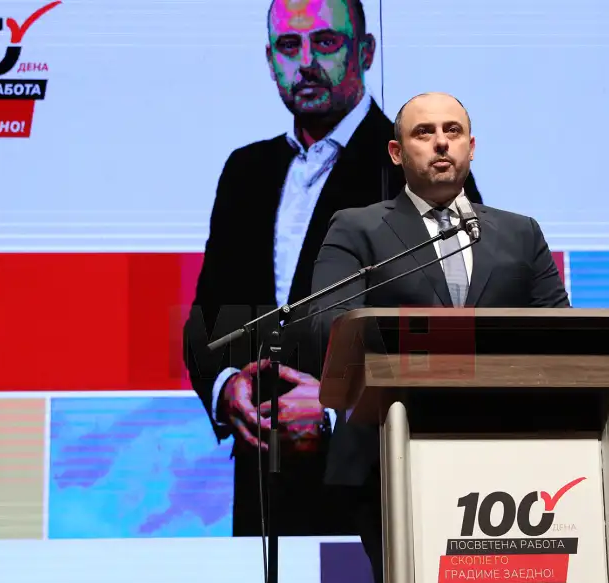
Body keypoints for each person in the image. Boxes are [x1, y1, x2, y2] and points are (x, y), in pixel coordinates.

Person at [182, 0, 483, 537]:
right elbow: (209, 319)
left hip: (380, 491)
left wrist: (331, 414)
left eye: (324, 42)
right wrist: (227, 388)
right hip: (263, 492)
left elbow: (457, 334)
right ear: (270, 60)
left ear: (365, 52)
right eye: (288, 46)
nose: (305, 62)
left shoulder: (418, 167)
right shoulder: (245, 171)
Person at [308, 92, 570, 583]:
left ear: (472, 147)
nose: (441, 142)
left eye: (453, 130)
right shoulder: (358, 228)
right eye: (424, 133)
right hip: (391, 457)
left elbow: (561, 332)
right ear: (397, 153)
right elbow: (328, 323)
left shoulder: (518, 233)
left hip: (509, 463)